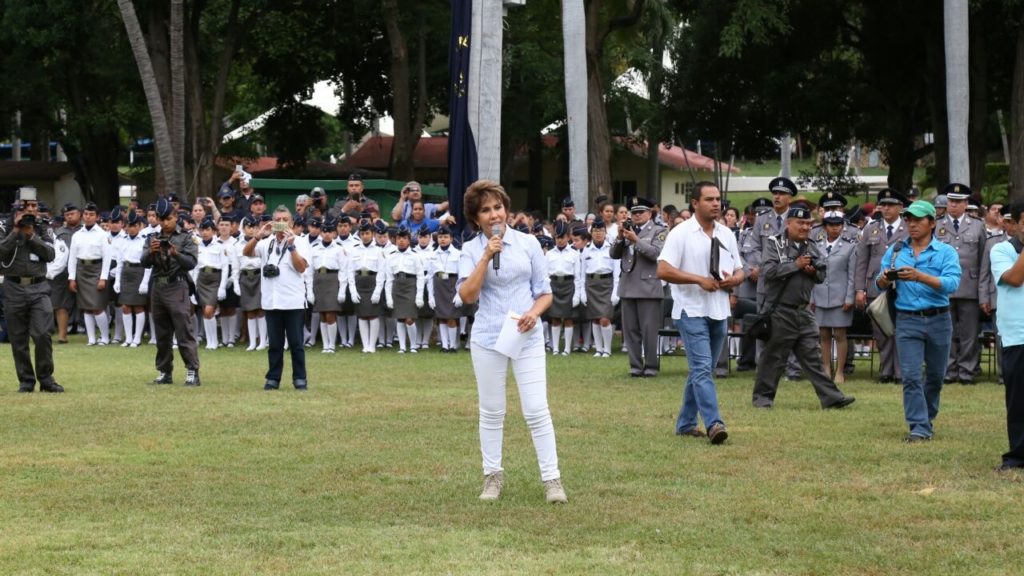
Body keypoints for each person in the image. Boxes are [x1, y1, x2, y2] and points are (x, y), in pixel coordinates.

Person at [457, 179, 566, 504]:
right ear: (476, 218)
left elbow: (545, 292)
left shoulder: (528, 244)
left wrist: (533, 313)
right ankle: (492, 477)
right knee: (492, 412)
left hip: (526, 336)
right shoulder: (470, 249)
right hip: (488, 337)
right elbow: (467, 295)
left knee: (536, 409)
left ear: (507, 209)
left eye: (498, 207)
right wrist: (486, 257)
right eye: (486, 210)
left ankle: (552, 480)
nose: (494, 215)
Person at [656, 182, 743, 443]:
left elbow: (740, 269)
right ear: (695, 203)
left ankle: (685, 423)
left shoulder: (727, 233)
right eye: (709, 199)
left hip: (718, 309)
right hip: (690, 309)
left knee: (701, 369)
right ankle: (715, 423)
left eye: (718, 199)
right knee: (703, 368)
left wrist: (733, 281)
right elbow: (663, 270)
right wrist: (698, 280)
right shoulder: (680, 233)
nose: (716, 203)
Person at [751, 206, 856, 410]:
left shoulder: (811, 245)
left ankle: (832, 398)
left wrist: (812, 271)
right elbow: (769, 272)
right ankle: (762, 399)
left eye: (808, 224)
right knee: (774, 357)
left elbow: (822, 273)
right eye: (800, 223)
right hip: (780, 310)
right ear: (788, 223)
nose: (805, 227)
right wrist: (796, 265)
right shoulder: (775, 244)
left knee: (813, 357)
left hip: (804, 311)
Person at [876, 200, 961, 442]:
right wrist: (882, 279)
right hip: (907, 320)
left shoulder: (946, 252)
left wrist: (920, 277)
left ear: (932, 223)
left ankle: (926, 417)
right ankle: (919, 427)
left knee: (935, 376)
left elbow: (952, 284)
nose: (912, 224)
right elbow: (877, 282)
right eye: (909, 219)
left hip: (939, 319)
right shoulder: (895, 251)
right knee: (911, 376)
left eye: (918, 220)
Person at [243, 207, 312, 390]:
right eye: (277, 219)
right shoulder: (267, 243)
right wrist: (258, 235)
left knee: (296, 344)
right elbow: (246, 252)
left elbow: (301, 268)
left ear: (291, 223)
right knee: (274, 344)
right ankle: (273, 378)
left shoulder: (300, 241)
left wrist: (291, 247)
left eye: (285, 219)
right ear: (272, 222)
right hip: (271, 301)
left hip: (293, 301)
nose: (281, 222)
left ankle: (300, 378)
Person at [1, 188, 61, 393]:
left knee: (43, 333)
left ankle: (46, 379)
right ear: (16, 206)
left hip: (38, 287)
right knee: (18, 337)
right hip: (13, 287)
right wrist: (15, 232)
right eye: (27, 205)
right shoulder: (3, 225)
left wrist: (32, 236)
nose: (32, 209)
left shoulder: (43, 226)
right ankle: (26, 380)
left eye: (34, 205)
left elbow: (51, 254)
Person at [143, 198, 201, 386]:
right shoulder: (152, 238)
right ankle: (164, 371)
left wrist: (177, 254)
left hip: (177, 286)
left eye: (168, 219)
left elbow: (192, 263)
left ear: (176, 217)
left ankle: (192, 370)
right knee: (162, 334)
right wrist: (150, 252)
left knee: (183, 331)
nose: (164, 223)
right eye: (161, 219)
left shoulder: (186, 237)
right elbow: (143, 262)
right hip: (158, 287)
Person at [854, 188, 909, 383]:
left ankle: (900, 372)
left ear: (900, 207)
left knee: (901, 329)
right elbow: (861, 261)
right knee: (882, 330)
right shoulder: (870, 228)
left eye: (891, 205)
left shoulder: (909, 227)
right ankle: (886, 371)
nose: (886, 208)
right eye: (883, 205)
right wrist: (859, 289)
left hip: (902, 286)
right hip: (875, 286)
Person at [610, 196, 667, 377]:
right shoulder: (627, 230)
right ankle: (635, 366)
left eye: (640, 212)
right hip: (628, 285)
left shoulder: (659, 231)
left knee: (649, 330)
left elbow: (656, 253)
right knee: (630, 330)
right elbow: (613, 254)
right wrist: (620, 238)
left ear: (650, 213)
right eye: (633, 213)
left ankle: (651, 366)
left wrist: (636, 240)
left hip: (648, 287)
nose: (636, 216)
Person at [934, 183, 985, 384]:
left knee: (969, 333)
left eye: (957, 201)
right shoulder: (936, 224)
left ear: (966, 203)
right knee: (946, 330)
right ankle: (948, 370)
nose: (953, 205)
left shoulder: (978, 225)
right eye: (950, 201)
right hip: (943, 286)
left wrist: (982, 290)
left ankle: (967, 371)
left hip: (969, 286)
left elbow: (983, 260)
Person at [990, 203, 1024, 470]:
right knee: (1019, 400)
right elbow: (1014, 278)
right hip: (1017, 334)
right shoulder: (1002, 249)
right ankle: (1018, 456)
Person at [811, 210, 858, 383]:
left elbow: (852, 274)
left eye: (838, 224)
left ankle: (839, 371)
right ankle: (825, 367)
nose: (835, 228)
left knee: (840, 334)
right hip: (820, 294)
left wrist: (849, 298)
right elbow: (812, 273)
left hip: (840, 296)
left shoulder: (850, 246)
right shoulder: (816, 245)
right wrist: (811, 298)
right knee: (823, 334)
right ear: (824, 227)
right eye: (831, 224)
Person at [68, 202, 113, 346]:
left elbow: (107, 258)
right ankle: (92, 338)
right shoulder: (77, 235)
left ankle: (105, 337)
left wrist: (103, 278)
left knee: (97, 307)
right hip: (82, 270)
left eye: (91, 214)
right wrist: (71, 277)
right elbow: (72, 258)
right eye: (86, 214)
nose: (88, 217)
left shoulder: (102, 235)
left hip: (96, 269)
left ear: (97, 217)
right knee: (86, 307)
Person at [347, 220, 387, 353]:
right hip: (359, 282)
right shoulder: (354, 250)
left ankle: (372, 345)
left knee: (373, 314)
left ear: (373, 234)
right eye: (362, 233)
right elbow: (350, 271)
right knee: (362, 315)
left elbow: (382, 272)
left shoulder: (378, 251)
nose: (365, 236)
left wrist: (377, 291)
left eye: (367, 233)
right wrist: (352, 290)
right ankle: (365, 345)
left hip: (372, 281)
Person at [114, 210, 152, 347]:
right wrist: (117, 280)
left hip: (139, 271)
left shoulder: (144, 241)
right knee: (125, 306)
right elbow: (119, 262)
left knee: (138, 307)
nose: (131, 228)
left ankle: (137, 338)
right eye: (129, 225)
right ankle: (128, 338)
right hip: (126, 272)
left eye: (134, 225)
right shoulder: (122, 241)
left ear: (139, 226)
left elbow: (148, 264)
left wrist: (145, 282)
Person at [582, 218, 619, 357]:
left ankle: (607, 349)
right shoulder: (586, 250)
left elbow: (617, 273)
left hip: (607, 284)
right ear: (591, 233)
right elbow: (582, 274)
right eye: (595, 231)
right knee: (595, 318)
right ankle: (598, 348)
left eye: (601, 231)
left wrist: (616, 291)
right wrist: (582, 292)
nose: (598, 233)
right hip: (591, 284)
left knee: (605, 318)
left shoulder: (612, 249)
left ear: (605, 232)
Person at [384, 228, 426, 353]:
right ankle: (402, 346)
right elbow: (389, 278)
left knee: (409, 318)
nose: (401, 241)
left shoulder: (415, 256)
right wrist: (388, 297)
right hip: (397, 286)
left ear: (409, 241)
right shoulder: (391, 257)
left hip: (410, 285)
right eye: (399, 238)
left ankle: (413, 345)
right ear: (395, 240)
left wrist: (419, 296)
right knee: (400, 318)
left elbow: (420, 276)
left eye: (404, 239)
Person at [545, 221, 583, 356]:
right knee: (555, 318)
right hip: (553, 285)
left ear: (568, 237)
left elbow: (578, 276)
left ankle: (567, 348)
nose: (559, 240)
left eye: (562, 237)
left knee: (568, 318)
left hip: (568, 286)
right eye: (557, 237)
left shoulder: (575, 254)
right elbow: (545, 275)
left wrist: (577, 295)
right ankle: (555, 348)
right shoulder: (549, 254)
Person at [429, 225, 463, 353]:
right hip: (439, 285)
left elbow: (462, 275)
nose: (442, 239)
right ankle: (444, 345)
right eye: (440, 237)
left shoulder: (458, 254)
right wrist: (431, 296)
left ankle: (453, 345)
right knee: (441, 317)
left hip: (452, 285)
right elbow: (429, 276)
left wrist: (459, 294)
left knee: (451, 317)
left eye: (445, 237)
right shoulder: (433, 254)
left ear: (451, 238)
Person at [50, 203, 81, 343]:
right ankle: (62, 335)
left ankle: (100, 334)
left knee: (92, 303)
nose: (69, 216)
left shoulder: (85, 230)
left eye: (72, 213)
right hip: (62, 272)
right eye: (67, 214)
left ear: (79, 214)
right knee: (60, 303)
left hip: (84, 269)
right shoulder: (58, 232)